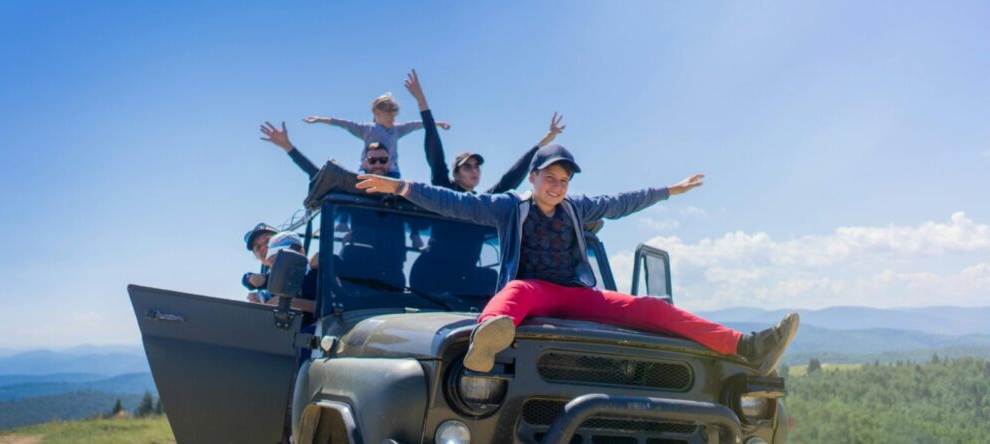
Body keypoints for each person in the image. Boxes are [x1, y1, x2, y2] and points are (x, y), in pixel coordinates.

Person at [356, 144, 799, 375]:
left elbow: (623, 200)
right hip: (533, 293)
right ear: (534, 179)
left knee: (650, 308)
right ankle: (483, 345)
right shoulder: (508, 208)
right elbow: (453, 202)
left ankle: (747, 347)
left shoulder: (577, 208)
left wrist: (670, 190)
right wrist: (399, 187)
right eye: (550, 178)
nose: (557, 186)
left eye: (564, 180)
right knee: (512, 292)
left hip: (574, 294)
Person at [403, 69, 565, 194]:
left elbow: (510, 179)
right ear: (456, 174)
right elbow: (435, 151)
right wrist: (421, 101)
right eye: (467, 167)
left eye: (476, 166)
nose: (474, 170)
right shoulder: (444, 190)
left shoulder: (481, 204)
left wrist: (544, 142)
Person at [304, 92, 450, 178]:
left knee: (397, 189)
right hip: (368, 168)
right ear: (377, 113)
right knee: (356, 184)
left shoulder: (396, 129)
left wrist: (437, 123)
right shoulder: (367, 129)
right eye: (390, 117)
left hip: (391, 170)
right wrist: (319, 119)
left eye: (394, 117)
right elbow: (343, 123)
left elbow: (417, 124)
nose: (392, 120)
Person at [242, 223, 279, 302]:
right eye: (258, 247)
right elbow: (246, 278)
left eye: (268, 241)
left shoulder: (308, 269)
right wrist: (262, 298)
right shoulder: (271, 280)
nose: (263, 247)